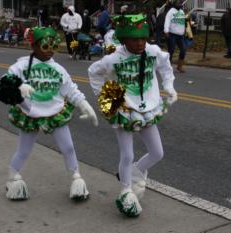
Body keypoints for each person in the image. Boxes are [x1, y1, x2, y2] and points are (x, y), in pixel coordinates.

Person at [88, 14, 178, 217]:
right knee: (127, 154)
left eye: (143, 38)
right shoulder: (113, 59)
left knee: (157, 153)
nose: (140, 43)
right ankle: (126, 190)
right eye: (134, 39)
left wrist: (169, 87)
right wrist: (105, 97)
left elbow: (165, 66)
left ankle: (137, 171)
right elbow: (93, 72)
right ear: (123, 39)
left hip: (148, 110)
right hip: (125, 111)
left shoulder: (153, 52)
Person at [0, 27, 98, 201]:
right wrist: (18, 87)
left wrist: (84, 104)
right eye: (46, 46)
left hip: (55, 112)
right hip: (30, 112)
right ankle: (12, 178)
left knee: (68, 147)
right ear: (34, 45)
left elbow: (70, 89)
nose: (50, 50)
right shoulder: (21, 66)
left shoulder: (58, 68)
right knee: (24, 150)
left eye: (54, 46)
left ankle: (77, 180)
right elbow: (4, 82)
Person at [164, 0, 187, 72]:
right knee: (171, 50)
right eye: (178, 3)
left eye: (180, 3)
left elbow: (183, 23)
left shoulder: (182, 12)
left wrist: (184, 31)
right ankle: (168, 66)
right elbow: (167, 21)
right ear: (174, 4)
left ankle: (179, 66)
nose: (180, 4)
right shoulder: (171, 11)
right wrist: (166, 31)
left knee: (183, 50)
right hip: (172, 34)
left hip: (180, 35)